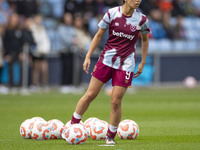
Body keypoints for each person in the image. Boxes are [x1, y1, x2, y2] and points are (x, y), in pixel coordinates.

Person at [70, 0, 150, 145]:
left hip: (125, 65)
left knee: (115, 101)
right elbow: (99, 35)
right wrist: (88, 56)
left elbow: (145, 39)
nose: (138, 0)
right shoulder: (112, 13)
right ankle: (72, 125)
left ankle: (110, 136)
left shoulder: (142, 19)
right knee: (90, 94)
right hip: (106, 61)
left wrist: (142, 62)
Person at [29, 14, 50, 90]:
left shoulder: (42, 28)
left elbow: (45, 40)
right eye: (37, 19)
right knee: (36, 69)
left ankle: (44, 85)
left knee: (44, 69)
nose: (39, 21)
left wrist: (46, 49)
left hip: (43, 52)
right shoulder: (32, 28)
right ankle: (35, 85)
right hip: (36, 51)